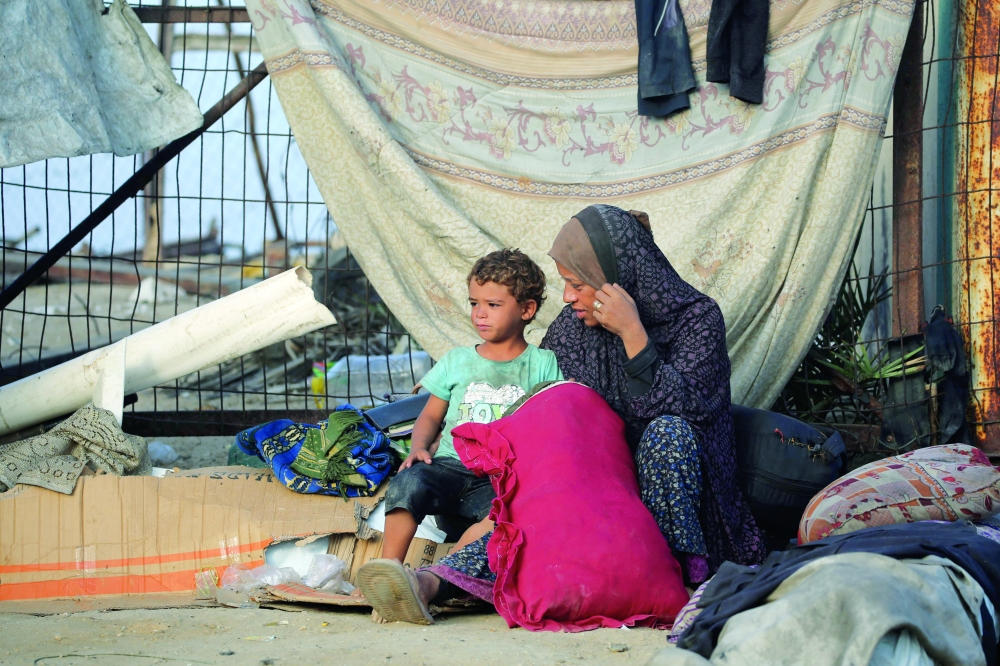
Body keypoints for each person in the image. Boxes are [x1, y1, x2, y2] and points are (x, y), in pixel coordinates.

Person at [358, 205, 765, 624]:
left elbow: (684, 413)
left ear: (618, 281)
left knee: (668, 433)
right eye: (565, 284)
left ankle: (681, 577)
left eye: (577, 284)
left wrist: (633, 335)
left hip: (683, 501)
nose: (568, 297)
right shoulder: (573, 330)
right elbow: (552, 415)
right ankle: (428, 584)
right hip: (604, 488)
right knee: (538, 516)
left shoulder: (697, 320)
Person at [376, 248, 562, 569]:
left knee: (510, 517)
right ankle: (385, 567)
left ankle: (441, 574)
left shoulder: (543, 364)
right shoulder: (457, 360)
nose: (480, 314)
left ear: (527, 310)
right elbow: (431, 415)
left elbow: (552, 423)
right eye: (475, 303)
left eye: (493, 305)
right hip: (449, 469)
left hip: (500, 482)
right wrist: (419, 448)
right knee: (408, 481)